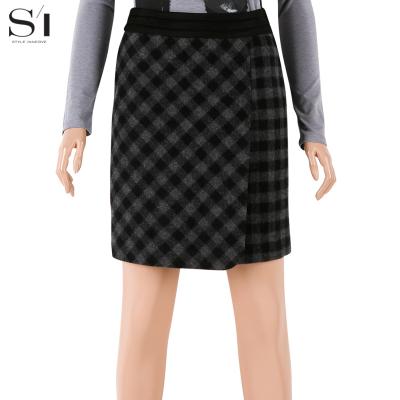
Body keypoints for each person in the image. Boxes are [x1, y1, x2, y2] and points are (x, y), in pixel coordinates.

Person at [56, 1, 336, 398]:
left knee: (265, 320)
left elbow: (294, 4)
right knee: (142, 319)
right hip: (150, 86)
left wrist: (314, 127)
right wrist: (76, 117)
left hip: (249, 70)